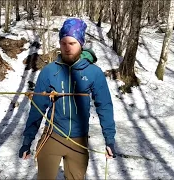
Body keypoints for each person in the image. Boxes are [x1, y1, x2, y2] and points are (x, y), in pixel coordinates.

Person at [19, 18, 116, 180]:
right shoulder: (49, 71)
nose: (67, 48)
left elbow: (104, 106)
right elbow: (38, 107)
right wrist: (27, 140)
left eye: (72, 43)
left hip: (79, 140)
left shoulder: (94, 73)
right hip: (52, 136)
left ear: (81, 43)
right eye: (63, 43)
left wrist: (109, 140)